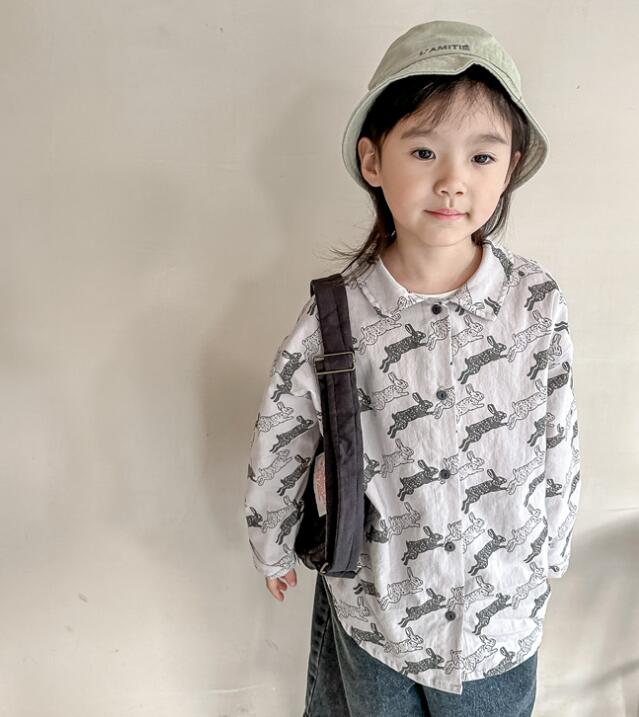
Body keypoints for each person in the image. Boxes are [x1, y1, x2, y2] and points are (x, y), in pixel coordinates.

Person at [243, 20, 581, 717]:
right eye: (424, 150)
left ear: (510, 166)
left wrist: (552, 545)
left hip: (500, 616)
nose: (452, 180)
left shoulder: (535, 301)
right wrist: (270, 539)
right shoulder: (337, 315)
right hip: (380, 612)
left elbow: (559, 431)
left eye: (481, 157)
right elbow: (284, 432)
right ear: (373, 160)